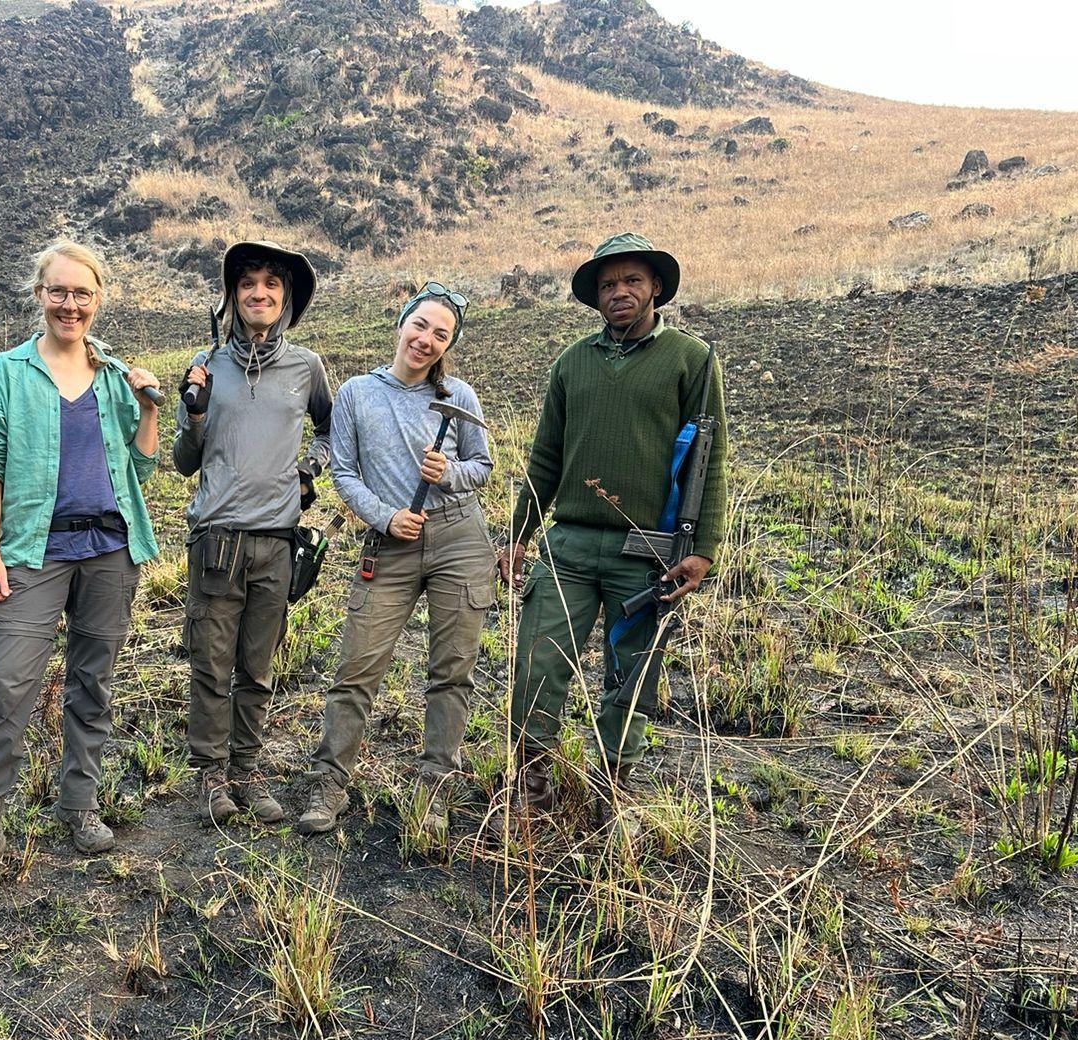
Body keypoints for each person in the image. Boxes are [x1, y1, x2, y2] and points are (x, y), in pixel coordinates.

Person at [500, 232, 728, 819]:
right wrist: (518, 534)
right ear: (595, 297)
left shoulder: (693, 360)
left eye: (631, 280)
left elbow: (710, 458)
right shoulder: (571, 362)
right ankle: (531, 787)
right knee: (537, 663)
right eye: (607, 284)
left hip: (645, 550)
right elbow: (545, 458)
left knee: (631, 678)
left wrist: (700, 551)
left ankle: (611, 789)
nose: (619, 292)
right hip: (568, 544)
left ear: (655, 287)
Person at [0, 240, 161, 879]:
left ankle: (80, 804)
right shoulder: (5, 374)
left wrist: (149, 406)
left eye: (83, 294)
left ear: (99, 300)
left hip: (109, 551)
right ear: (39, 294)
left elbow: (141, 464)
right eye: (59, 291)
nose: (71, 305)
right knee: (5, 686)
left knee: (92, 684)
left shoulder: (116, 374)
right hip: (31, 552)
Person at [298, 283, 494, 836]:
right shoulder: (358, 393)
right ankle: (329, 784)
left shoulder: (459, 396)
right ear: (401, 322)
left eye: (441, 334)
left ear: (449, 343)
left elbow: (481, 464)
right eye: (421, 325)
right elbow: (343, 473)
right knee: (356, 669)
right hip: (391, 543)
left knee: (451, 671)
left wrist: (448, 474)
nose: (426, 340)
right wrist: (385, 518)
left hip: (459, 539)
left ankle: (433, 789)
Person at [174, 241, 332, 825]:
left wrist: (306, 472)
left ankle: (247, 770)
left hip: (277, 540)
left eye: (271, 283)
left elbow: (331, 431)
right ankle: (211, 776)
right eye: (247, 284)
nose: (259, 293)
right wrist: (194, 417)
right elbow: (184, 461)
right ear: (232, 296)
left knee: (257, 667)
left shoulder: (306, 367)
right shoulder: (206, 364)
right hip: (216, 539)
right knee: (211, 665)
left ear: (285, 297)